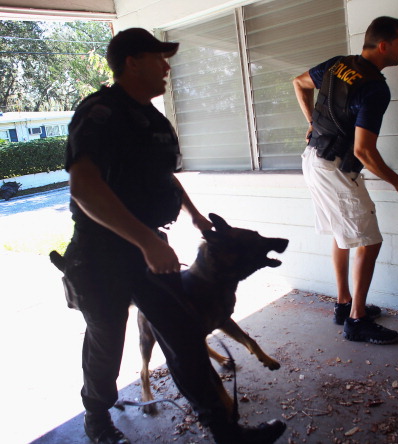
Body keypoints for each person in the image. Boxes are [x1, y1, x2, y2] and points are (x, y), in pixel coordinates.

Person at [62, 28, 285, 444]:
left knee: (185, 338)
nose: (166, 66)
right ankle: (97, 420)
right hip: (101, 254)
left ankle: (225, 430)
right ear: (132, 61)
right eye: (158, 58)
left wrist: (196, 216)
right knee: (107, 346)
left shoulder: (154, 119)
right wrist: (145, 241)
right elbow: (84, 188)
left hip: (150, 250)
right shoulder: (100, 113)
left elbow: (164, 179)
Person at [293, 16, 398, 345]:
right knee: (370, 241)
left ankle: (343, 304)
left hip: (315, 159)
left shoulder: (339, 64)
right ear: (383, 46)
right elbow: (363, 151)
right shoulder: (374, 88)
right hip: (334, 166)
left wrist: (312, 122)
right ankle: (357, 320)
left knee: (343, 234)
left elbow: (298, 82)